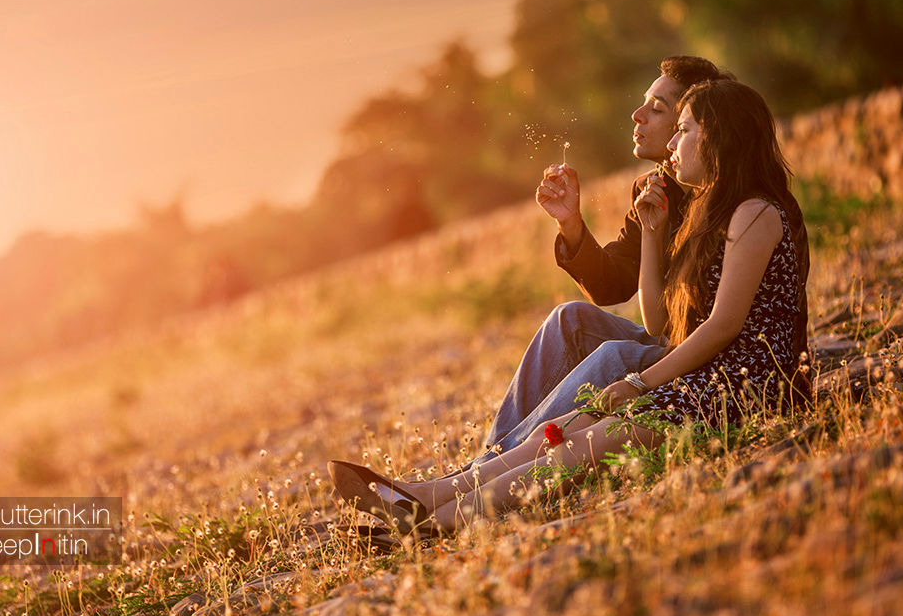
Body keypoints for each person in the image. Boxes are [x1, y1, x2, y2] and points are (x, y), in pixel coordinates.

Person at [329, 78, 812, 534]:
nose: (671, 144)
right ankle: (424, 497)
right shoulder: (710, 214)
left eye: (683, 129)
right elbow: (661, 324)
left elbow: (725, 326)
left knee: (578, 446)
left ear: (717, 137)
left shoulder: (755, 212)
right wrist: (652, 233)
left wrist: (637, 382)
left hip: (741, 393)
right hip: (703, 381)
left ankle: (437, 525)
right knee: (562, 428)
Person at [465, 56, 733, 472]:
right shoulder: (655, 186)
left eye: (657, 109)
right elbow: (613, 286)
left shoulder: (724, 197)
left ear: (697, 124)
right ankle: (490, 460)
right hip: (669, 339)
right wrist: (571, 223)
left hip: (699, 357)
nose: (637, 114)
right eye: (644, 102)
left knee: (614, 355)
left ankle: (483, 473)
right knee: (567, 319)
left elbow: (711, 321)